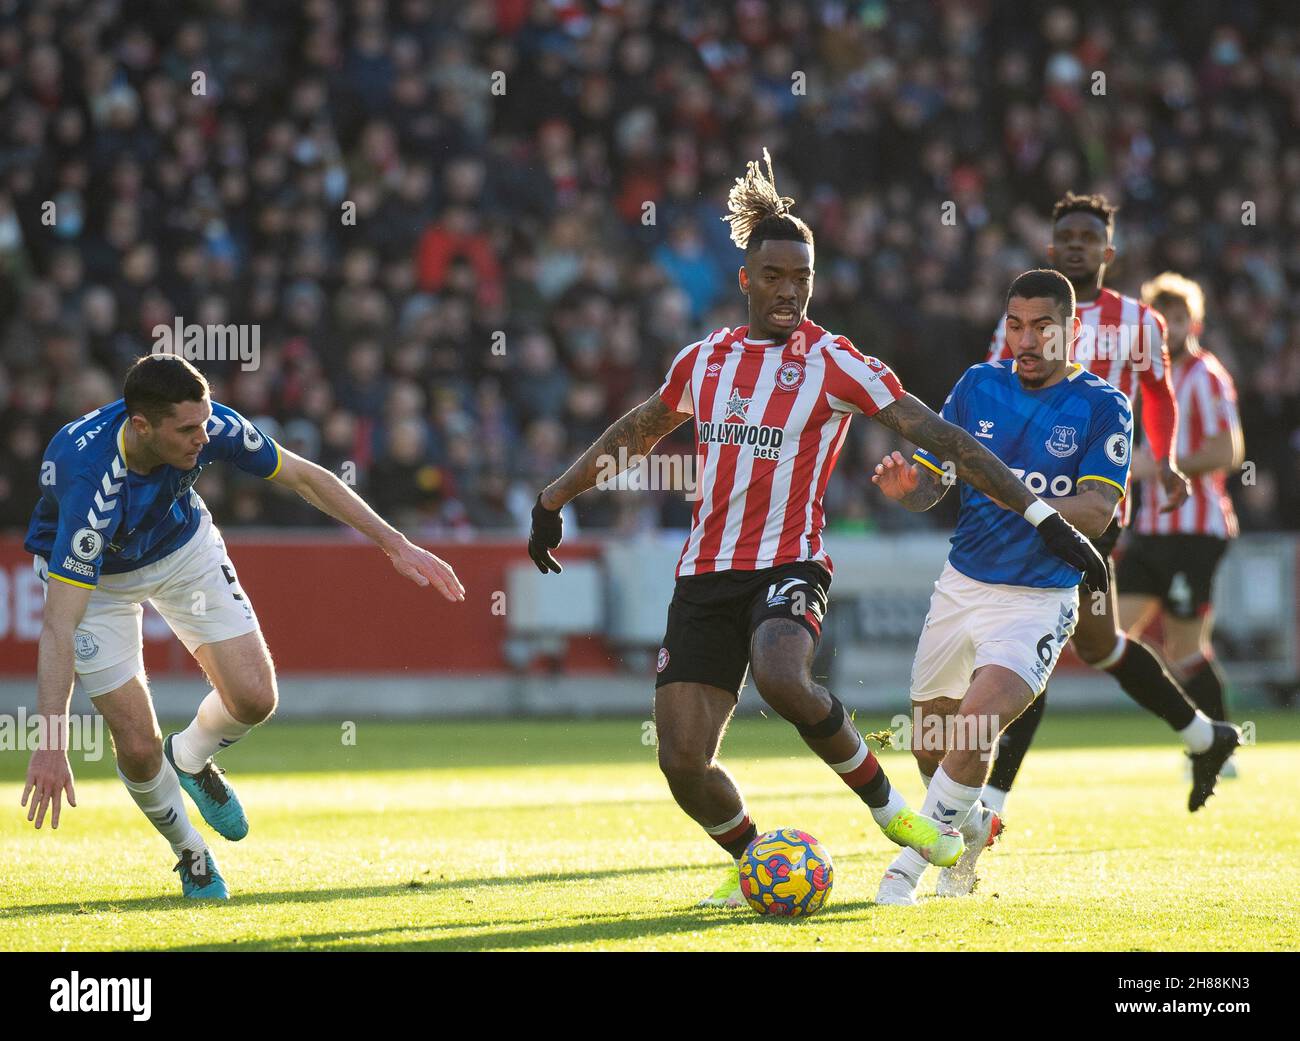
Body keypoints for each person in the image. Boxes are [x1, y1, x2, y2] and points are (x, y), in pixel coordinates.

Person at [526, 151, 1106, 907]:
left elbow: (948, 440)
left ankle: (895, 815)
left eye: (802, 278)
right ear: (745, 279)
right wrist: (554, 498)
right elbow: (639, 430)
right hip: (704, 573)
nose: (789, 292)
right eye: (773, 276)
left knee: (782, 674)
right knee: (682, 762)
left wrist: (1040, 516)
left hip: (789, 563)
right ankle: (756, 858)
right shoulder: (704, 361)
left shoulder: (835, 362)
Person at [21, 354, 465, 898]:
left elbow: (304, 476)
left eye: (205, 421)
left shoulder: (212, 426)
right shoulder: (89, 482)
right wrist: (51, 743)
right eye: (188, 429)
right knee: (136, 746)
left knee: (255, 697)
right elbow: (58, 627)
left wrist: (394, 543)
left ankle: (190, 757)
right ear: (142, 427)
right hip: (100, 584)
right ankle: (190, 853)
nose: (204, 438)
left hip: (181, 548)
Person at [872, 269, 1136, 904]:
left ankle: (906, 873)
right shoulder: (977, 386)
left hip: (1038, 599)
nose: (1026, 339)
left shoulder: (1104, 406)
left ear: (1071, 330)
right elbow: (934, 485)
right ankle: (973, 826)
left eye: (1042, 326)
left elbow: (1097, 512)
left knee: (974, 729)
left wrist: (1012, 495)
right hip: (961, 586)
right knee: (932, 747)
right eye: (1015, 325)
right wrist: (910, 491)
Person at [981, 193, 1237, 815]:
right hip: (1029, 500)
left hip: (1094, 509)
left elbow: (1159, 394)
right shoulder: (1024, 318)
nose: (1076, 246)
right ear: (1050, 248)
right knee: (1100, 645)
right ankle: (1206, 736)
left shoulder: (1138, 323)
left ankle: (987, 806)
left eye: (1087, 238)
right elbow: (991, 388)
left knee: (1030, 641)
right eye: (1066, 236)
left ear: (1108, 252)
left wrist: (1165, 460)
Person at [1121, 272, 1244, 783]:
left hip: (1195, 531)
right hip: (1151, 530)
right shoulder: (1145, 378)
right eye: (1160, 318)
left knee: (1185, 648)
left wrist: (1162, 466)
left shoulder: (1206, 375)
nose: (1169, 328)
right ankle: (1200, 732)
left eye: (1178, 318)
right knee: (1107, 636)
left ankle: (1222, 746)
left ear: (1193, 322)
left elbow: (1229, 450)